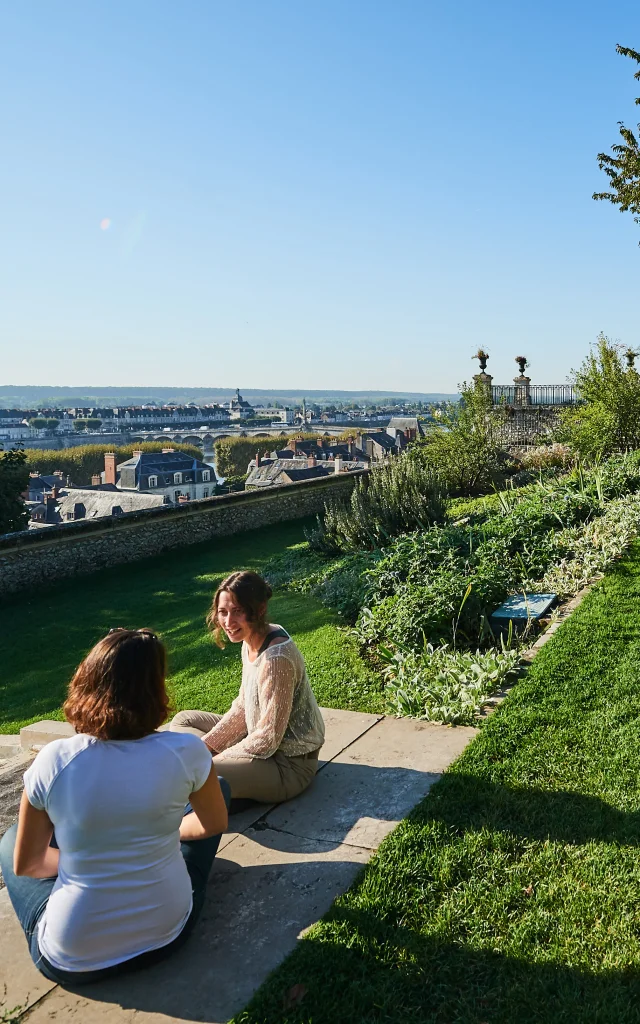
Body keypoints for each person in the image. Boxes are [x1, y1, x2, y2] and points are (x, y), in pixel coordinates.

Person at [0, 628, 230, 985]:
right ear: (156, 688)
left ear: (87, 681)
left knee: (11, 841)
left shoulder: (55, 761)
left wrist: (95, 860)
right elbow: (213, 823)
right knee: (221, 791)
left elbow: (28, 864)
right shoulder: (188, 752)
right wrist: (161, 837)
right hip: (167, 934)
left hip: (73, 958)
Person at [170, 570, 325, 803]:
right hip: (260, 740)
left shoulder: (276, 659)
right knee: (184, 720)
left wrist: (209, 759)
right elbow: (244, 707)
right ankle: (222, 784)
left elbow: (268, 738)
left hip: (288, 765)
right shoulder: (252, 638)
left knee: (193, 774)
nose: (228, 622)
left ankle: (215, 786)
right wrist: (206, 748)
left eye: (238, 611)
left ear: (259, 609)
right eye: (223, 612)